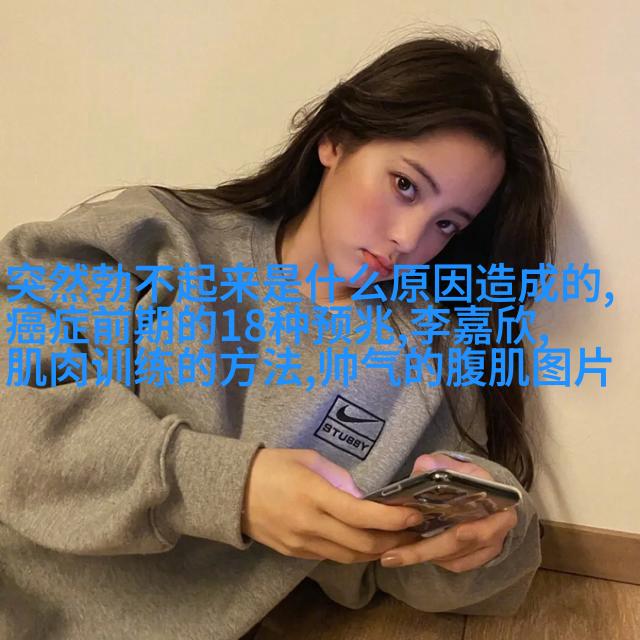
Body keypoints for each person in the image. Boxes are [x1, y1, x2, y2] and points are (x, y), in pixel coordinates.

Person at [0, 31, 556, 640]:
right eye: (404, 185)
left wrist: (492, 531)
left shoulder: (428, 355)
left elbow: (399, 569)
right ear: (335, 140)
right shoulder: (159, 241)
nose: (409, 239)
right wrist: (228, 487)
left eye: (446, 224)